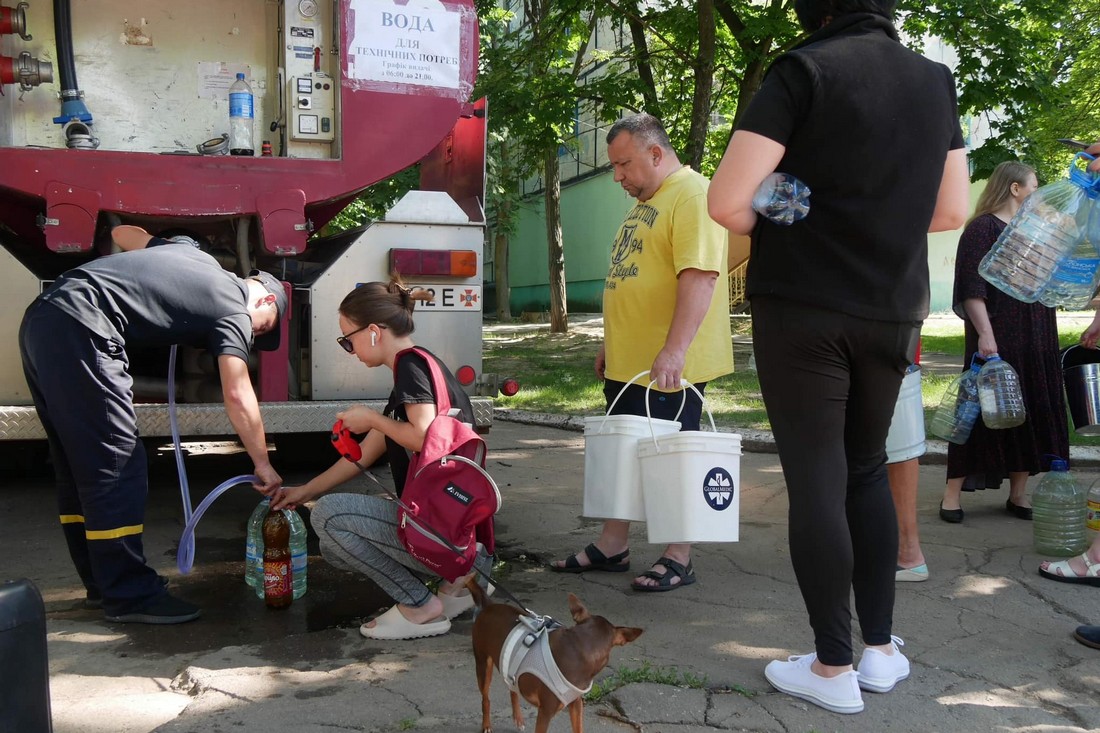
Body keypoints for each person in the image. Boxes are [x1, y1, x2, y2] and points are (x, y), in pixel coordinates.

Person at [707, 0, 969, 715]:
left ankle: (830, 666)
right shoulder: (934, 81)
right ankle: (879, 650)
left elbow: (727, 203)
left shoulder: (803, 70)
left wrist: (794, 206)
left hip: (804, 306)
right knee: (866, 468)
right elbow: (950, 211)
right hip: (892, 309)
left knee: (816, 476)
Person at [19, 225, 287, 625]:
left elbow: (122, 232)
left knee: (79, 467)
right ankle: (128, 595)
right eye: (265, 324)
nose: (255, 333)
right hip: (85, 325)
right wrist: (262, 463)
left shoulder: (193, 256)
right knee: (117, 463)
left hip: (43, 318)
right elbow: (237, 392)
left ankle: (103, 584)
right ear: (264, 297)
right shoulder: (234, 307)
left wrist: (166, 260)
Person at [548, 113, 733, 592]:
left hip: (669, 365)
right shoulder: (646, 199)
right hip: (631, 360)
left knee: (673, 457)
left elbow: (700, 276)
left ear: (655, 153)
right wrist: (613, 341)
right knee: (624, 457)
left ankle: (678, 555)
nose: (617, 177)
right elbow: (635, 274)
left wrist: (674, 351)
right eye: (613, 166)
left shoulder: (692, 194)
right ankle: (614, 545)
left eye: (623, 164)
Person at [271, 279, 490, 640]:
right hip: (452, 526)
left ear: (373, 332)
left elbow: (423, 435)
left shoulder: (410, 369)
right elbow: (368, 451)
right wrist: (303, 491)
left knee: (328, 516)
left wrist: (372, 418)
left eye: (348, 339)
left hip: (439, 529)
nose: (349, 349)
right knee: (333, 545)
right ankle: (462, 579)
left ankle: (421, 605)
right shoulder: (425, 366)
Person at [937, 161, 1069, 524]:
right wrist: (985, 334)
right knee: (976, 412)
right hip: (997, 330)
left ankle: (1018, 495)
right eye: (1034, 186)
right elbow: (971, 290)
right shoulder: (982, 229)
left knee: (1026, 408)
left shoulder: (1030, 232)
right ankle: (951, 497)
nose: (1037, 194)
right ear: (1014, 189)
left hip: (1036, 331)